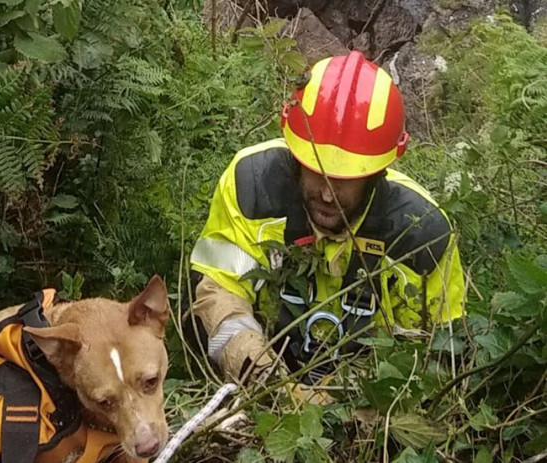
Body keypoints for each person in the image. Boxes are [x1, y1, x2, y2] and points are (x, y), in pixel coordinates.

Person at [187, 51, 465, 384]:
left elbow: (439, 356)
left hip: (367, 398)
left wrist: (349, 405)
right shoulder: (252, 187)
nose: (328, 194)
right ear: (296, 157)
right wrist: (267, 381)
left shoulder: (423, 235)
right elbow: (216, 290)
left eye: (345, 179)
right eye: (317, 173)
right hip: (264, 376)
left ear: (378, 172)